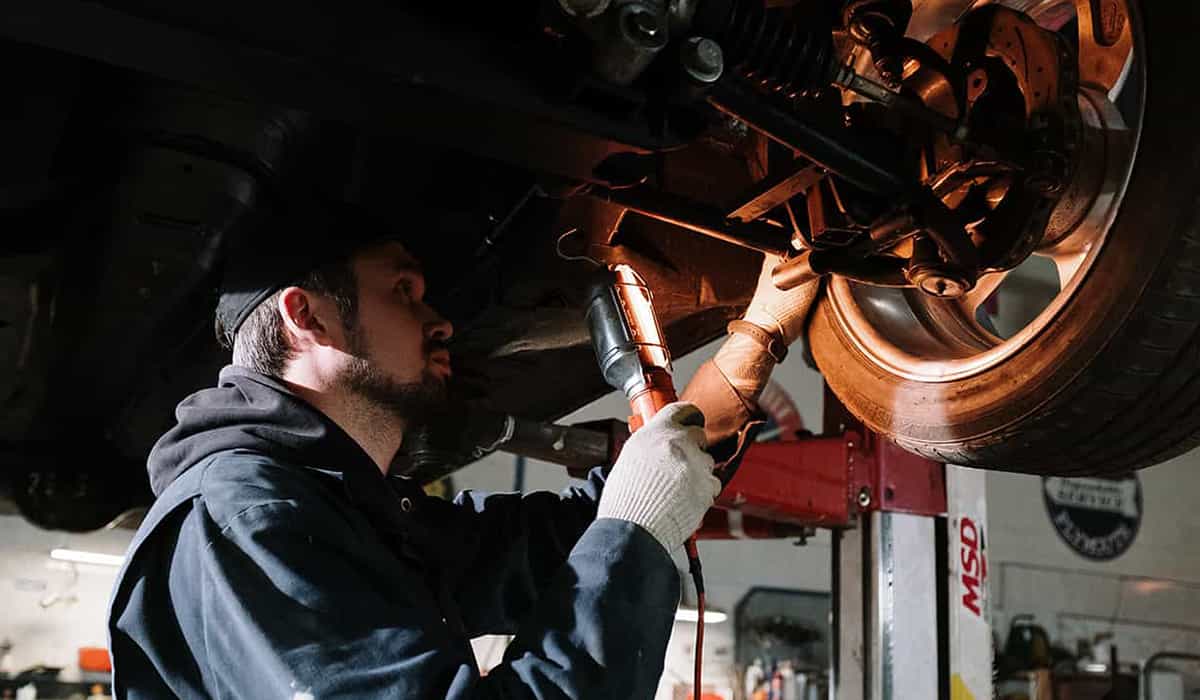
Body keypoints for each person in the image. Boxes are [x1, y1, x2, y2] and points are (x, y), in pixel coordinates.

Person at [106, 208, 818, 699]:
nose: (440, 318)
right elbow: (620, 535)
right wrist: (637, 531)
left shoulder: (350, 513)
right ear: (307, 316)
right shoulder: (242, 521)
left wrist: (756, 343)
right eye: (403, 291)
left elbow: (565, 546)